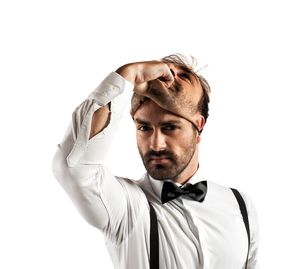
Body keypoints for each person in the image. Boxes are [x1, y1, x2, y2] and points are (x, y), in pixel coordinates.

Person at [52, 54, 259, 269]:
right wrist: (128, 75)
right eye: (144, 128)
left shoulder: (241, 205)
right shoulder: (127, 208)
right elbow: (71, 166)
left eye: (169, 127)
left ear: (198, 127)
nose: (156, 144)